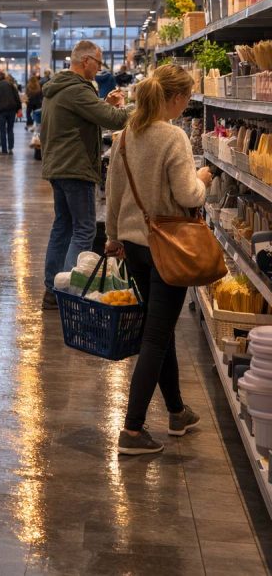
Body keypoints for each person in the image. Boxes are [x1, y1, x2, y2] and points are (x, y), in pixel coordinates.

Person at [104, 64, 212, 455]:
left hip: (133, 246)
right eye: (186, 98)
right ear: (177, 99)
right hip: (167, 245)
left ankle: (177, 411)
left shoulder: (126, 135)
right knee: (155, 336)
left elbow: (113, 190)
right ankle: (132, 431)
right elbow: (187, 195)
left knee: (159, 331)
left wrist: (113, 236)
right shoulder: (173, 136)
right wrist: (203, 180)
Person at [40, 40, 129, 310]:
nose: (100, 69)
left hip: (59, 166)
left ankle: (52, 290)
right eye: (99, 63)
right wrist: (132, 109)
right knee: (84, 229)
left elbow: (84, 116)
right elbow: (114, 120)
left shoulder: (60, 88)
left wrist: (102, 103)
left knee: (63, 226)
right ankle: (67, 292)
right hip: (75, 167)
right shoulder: (77, 90)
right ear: (86, 61)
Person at [0, 71, 21, 154]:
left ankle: (4, 150)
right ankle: (10, 149)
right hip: (12, 110)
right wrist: (18, 108)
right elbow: (16, 96)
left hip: (1, 110)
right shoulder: (10, 84)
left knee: (2, 130)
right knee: (10, 129)